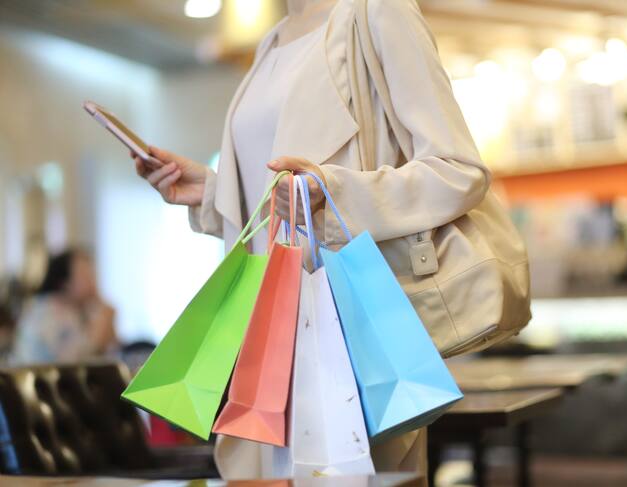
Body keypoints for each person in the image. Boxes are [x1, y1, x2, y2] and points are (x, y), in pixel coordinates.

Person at [132, 0, 490, 480]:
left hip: (344, 337)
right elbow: (279, 202)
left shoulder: (377, 11)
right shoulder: (272, 40)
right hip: (263, 347)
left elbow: (459, 172)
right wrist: (214, 192)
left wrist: (335, 192)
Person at [11, 249, 117, 364]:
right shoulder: (48, 312)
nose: (92, 281)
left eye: (92, 273)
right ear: (64, 283)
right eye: (85, 275)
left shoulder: (77, 309)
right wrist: (104, 320)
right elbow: (74, 361)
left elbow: (112, 348)